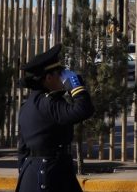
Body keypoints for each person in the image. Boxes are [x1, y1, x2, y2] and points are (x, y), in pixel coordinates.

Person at [14, 44, 94, 192]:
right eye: (60, 74)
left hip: (33, 173)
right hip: (50, 176)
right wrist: (75, 85)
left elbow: (22, 149)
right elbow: (84, 109)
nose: (62, 79)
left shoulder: (28, 105)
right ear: (49, 78)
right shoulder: (49, 103)